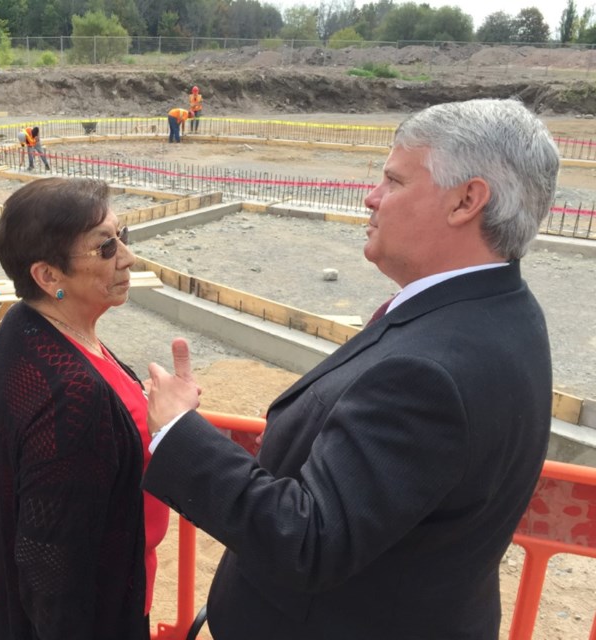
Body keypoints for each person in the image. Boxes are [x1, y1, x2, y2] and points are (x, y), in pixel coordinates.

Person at [142, 98, 559, 639]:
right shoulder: (503, 312)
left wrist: (178, 432)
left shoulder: (428, 372)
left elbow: (308, 541)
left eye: (393, 180)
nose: (372, 197)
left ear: (466, 200)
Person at [0, 177, 167, 640]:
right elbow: (50, 565)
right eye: (105, 248)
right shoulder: (73, 396)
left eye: (123, 237)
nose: (127, 257)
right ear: (49, 276)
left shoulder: (27, 324)